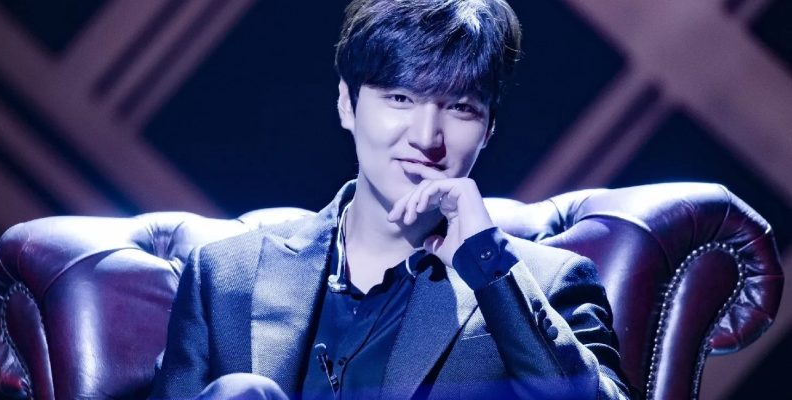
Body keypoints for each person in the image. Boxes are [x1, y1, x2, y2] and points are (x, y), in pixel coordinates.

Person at [150, 0, 631, 398]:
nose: (426, 137)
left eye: (460, 108)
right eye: (400, 98)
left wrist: (489, 268)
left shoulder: (545, 283)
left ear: (488, 130)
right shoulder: (225, 276)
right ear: (347, 103)